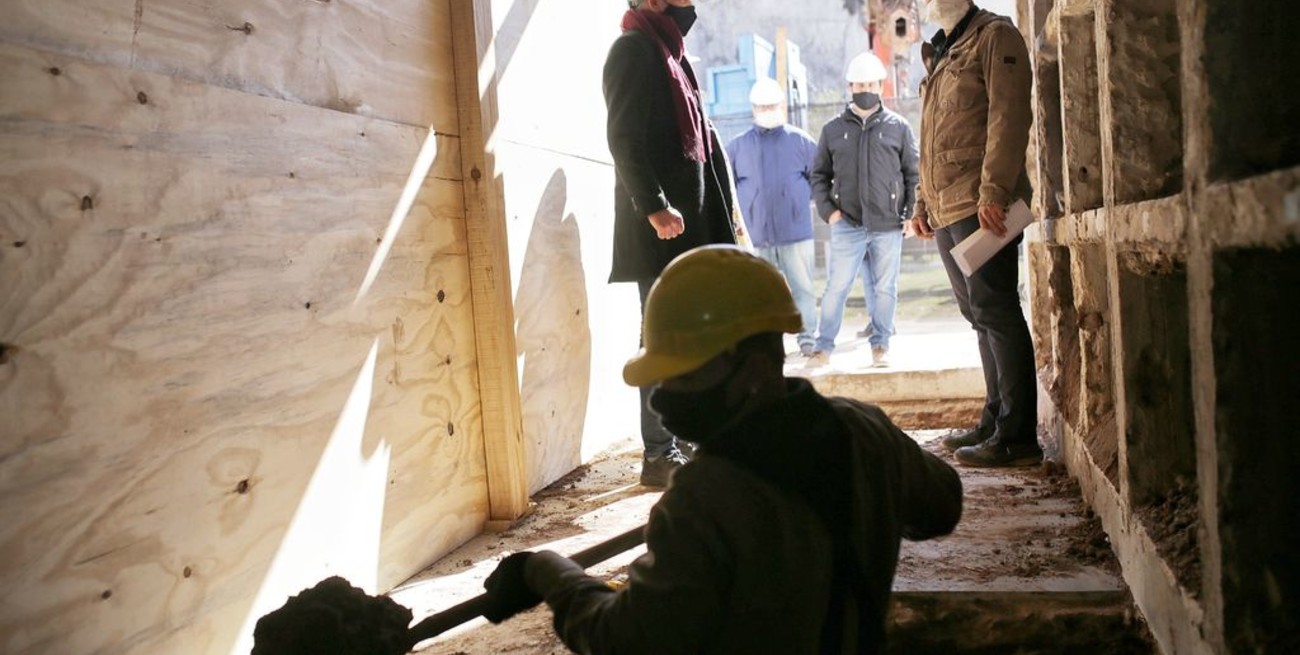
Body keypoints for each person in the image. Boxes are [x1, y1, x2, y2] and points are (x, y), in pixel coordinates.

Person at [480, 245, 963, 655]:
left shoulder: (704, 495)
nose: (666, 396)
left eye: (686, 373)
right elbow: (941, 505)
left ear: (753, 370)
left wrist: (550, 572)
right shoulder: (863, 429)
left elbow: (626, 640)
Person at [604, 0, 738, 486]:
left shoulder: (670, 54)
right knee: (661, 337)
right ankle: (657, 453)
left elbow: (701, 143)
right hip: (661, 229)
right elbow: (623, 138)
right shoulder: (634, 50)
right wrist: (655, 206)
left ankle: (678, 438)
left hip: (689, 227)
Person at [910, 0, 1042, 467]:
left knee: (995, 308)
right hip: (948, 206)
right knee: (977, 314)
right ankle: (994, 418)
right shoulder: (943, 50)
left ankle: (1017, 435)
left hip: (980, 202)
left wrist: (995, 190)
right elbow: (934, 135)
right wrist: (922, 202)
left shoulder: (995, 36)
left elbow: (1008, 119)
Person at [810, 52, 920, 368]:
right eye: (859, 83)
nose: (865, 88)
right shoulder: (832, 130)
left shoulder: (898, 127)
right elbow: (818, 174)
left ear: (880, 85)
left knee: (886, 289)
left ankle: (881, 345)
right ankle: (823, 347)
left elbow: (913, 173)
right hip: (848, 224)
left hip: (888, 225)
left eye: (870, 83)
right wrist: (829, 211)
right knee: (836, 288)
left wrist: (911, 213)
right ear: (850, 86)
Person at [725, 77, 821, 357]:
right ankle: (765, 344)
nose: (767, 110)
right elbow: (728, 186)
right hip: (756, 236)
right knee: (759, 294)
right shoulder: (737, 147)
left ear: (782, 105)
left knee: (803, 288)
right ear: (753, 109)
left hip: (796, 232)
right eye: (761, 106)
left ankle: (807, 339)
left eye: (771, 105)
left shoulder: (801, 141)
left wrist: (801, 204)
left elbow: (819, 178)